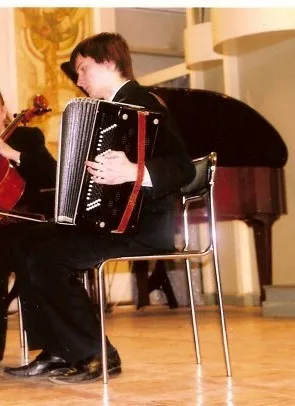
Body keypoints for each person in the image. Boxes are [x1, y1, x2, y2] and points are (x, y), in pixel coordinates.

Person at [3, 32, 195, 384]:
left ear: (108, 63)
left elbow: (184, 168)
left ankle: (97, 353)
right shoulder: (105, 112)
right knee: (26, 243)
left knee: (50, 258)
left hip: (141, 227)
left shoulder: (144, 103)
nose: (79, 80)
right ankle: (61, 348)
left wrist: (134, 171)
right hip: (110, 223)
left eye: (83, 69)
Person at [0, 91, 56, 361]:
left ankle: (50, 348)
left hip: (24, 223)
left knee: (26, 254)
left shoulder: (27, 138)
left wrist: (9, 153)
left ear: (2, 111)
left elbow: (53, 174)